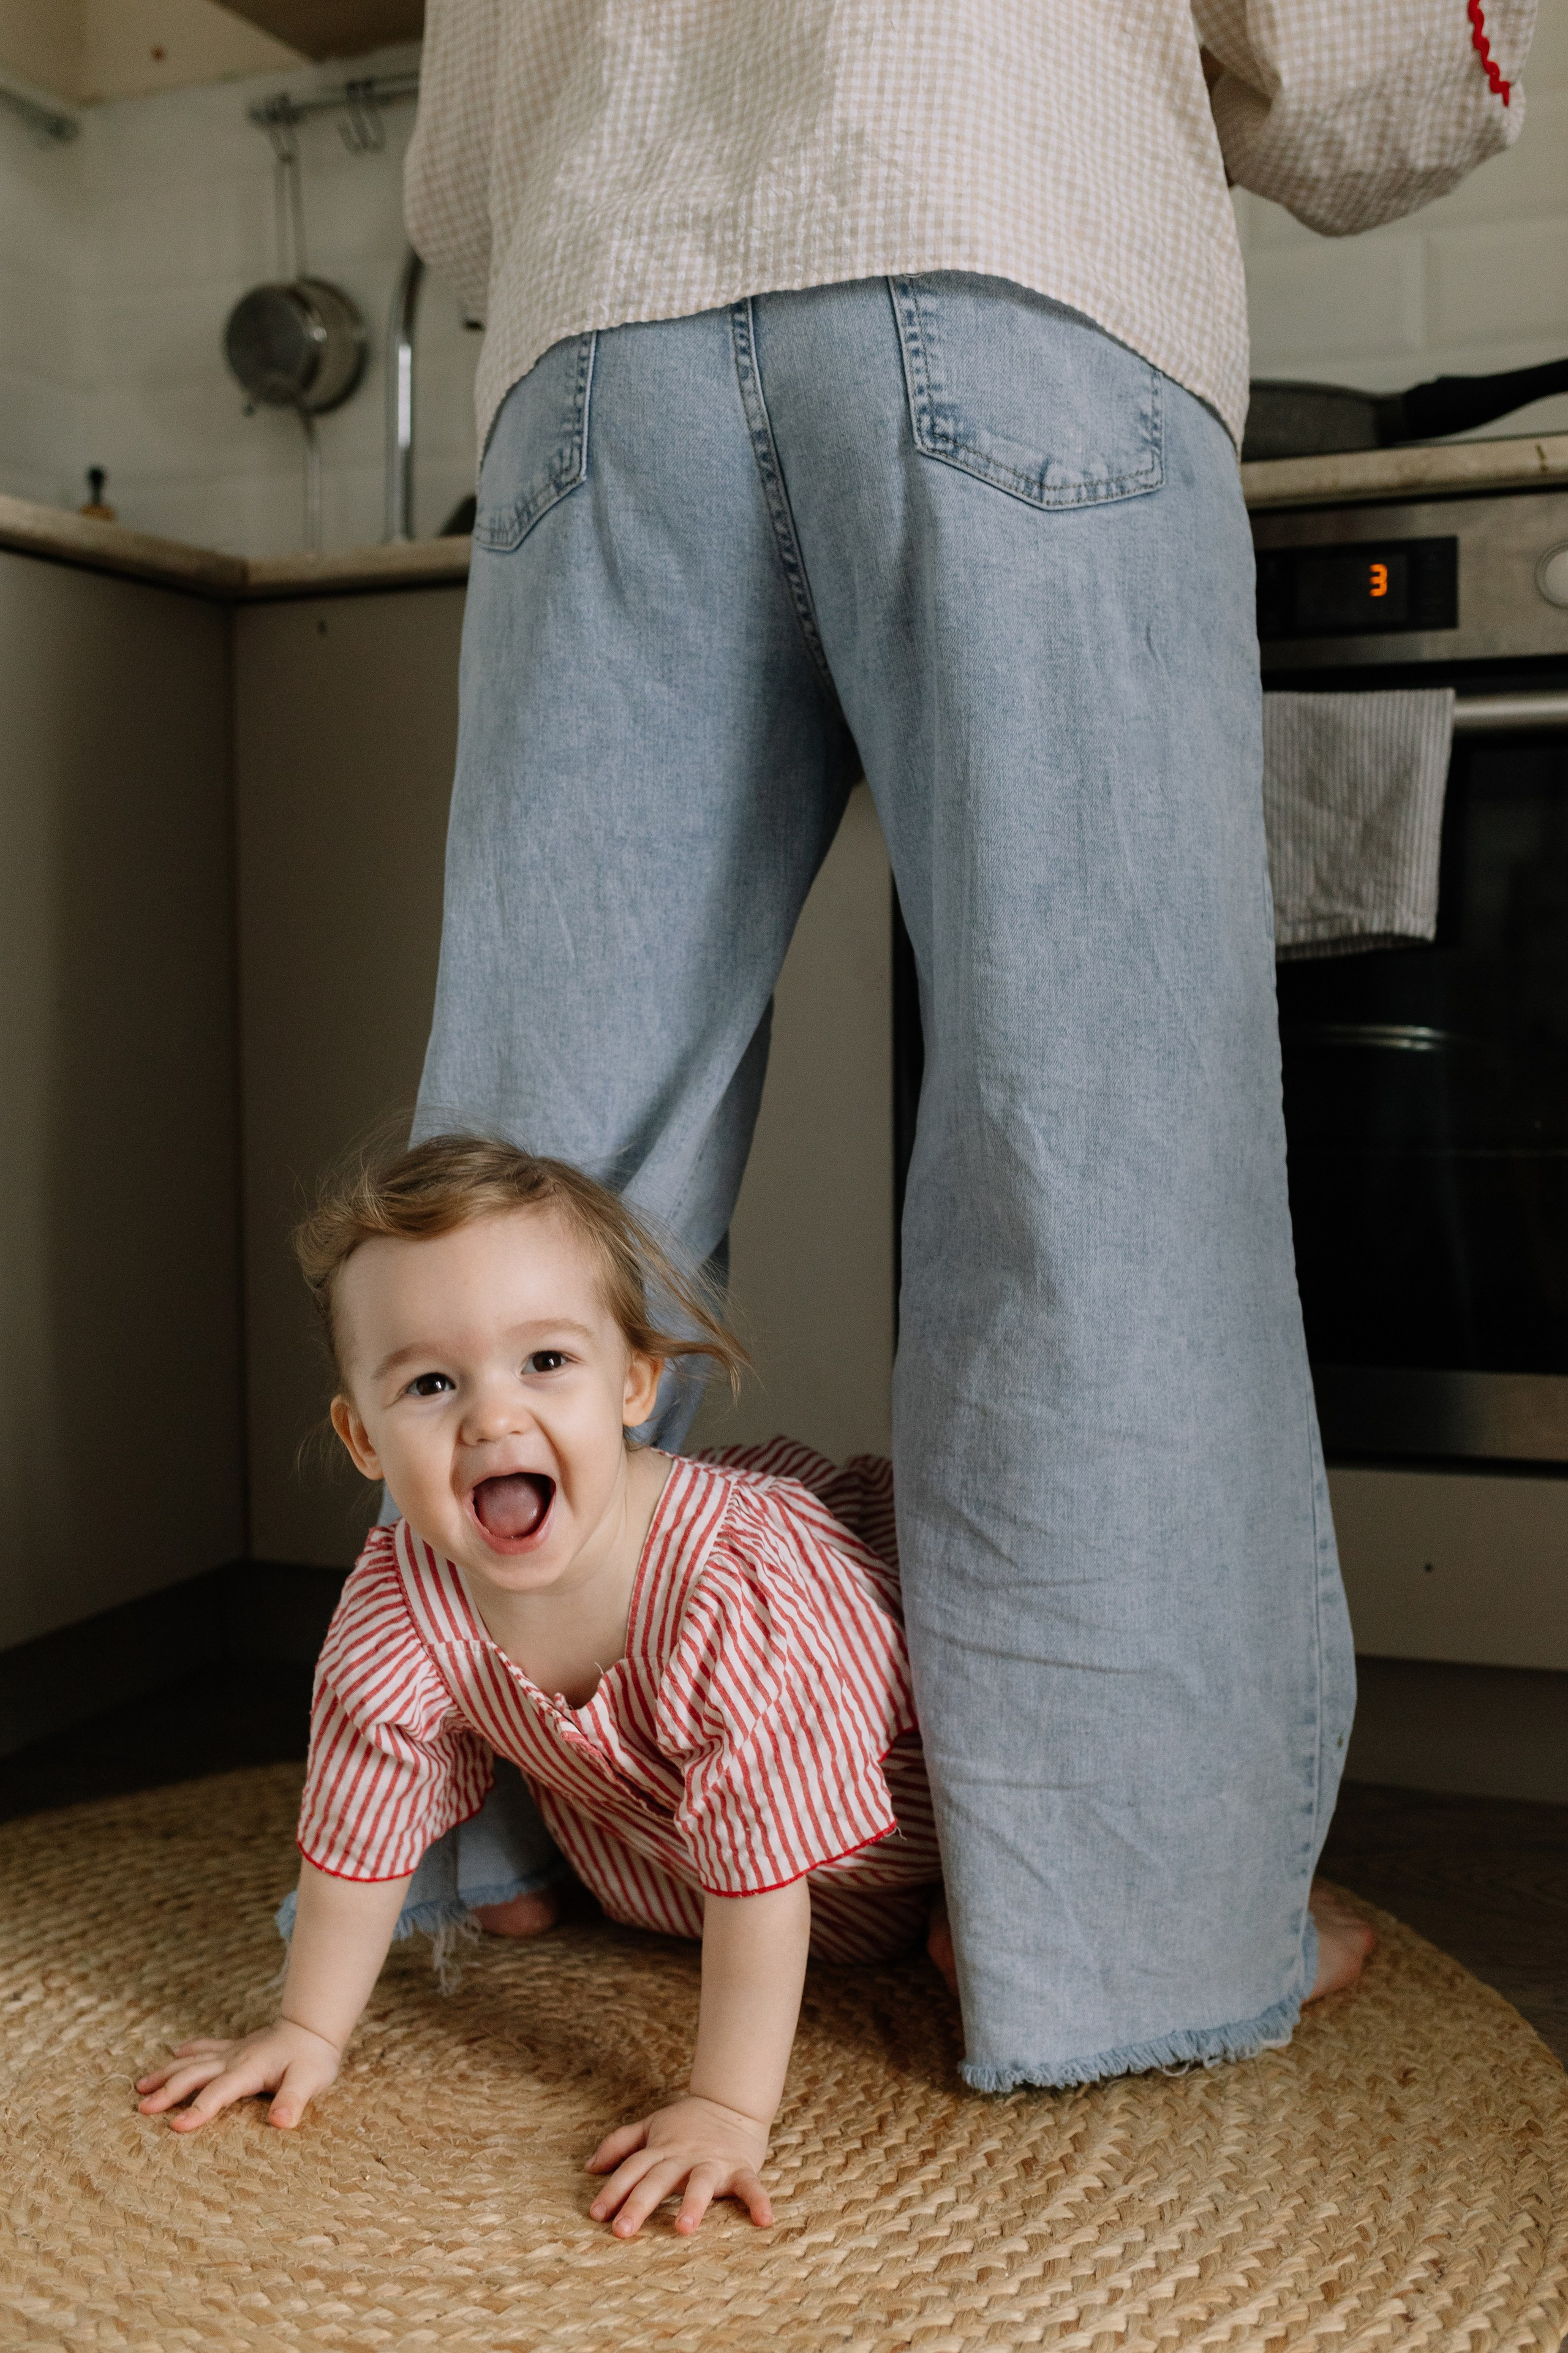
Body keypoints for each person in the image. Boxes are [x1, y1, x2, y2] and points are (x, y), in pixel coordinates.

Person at [394, 4, 1533, 2092]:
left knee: (539, 1164)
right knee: (1089, 1143)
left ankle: (481, 1830)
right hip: (1013, 229)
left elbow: (464, 187)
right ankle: (1132, 1928)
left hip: (595, 317)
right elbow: (1367, 76)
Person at [134, 1136, 1373, 2234]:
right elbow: (358, 1821)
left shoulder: (739, 1588)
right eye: (430, 1384)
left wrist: (725, 2108)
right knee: (527, 1886)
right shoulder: (399, 1590)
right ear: (362, 1435)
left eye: (545, 1361)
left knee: (1001, 1959)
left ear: (632, 1385)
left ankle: (1264, 1939)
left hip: (899, 1847)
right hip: (674, 1855)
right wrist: (306, 2032)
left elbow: (763, 1880)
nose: (491, 1419)